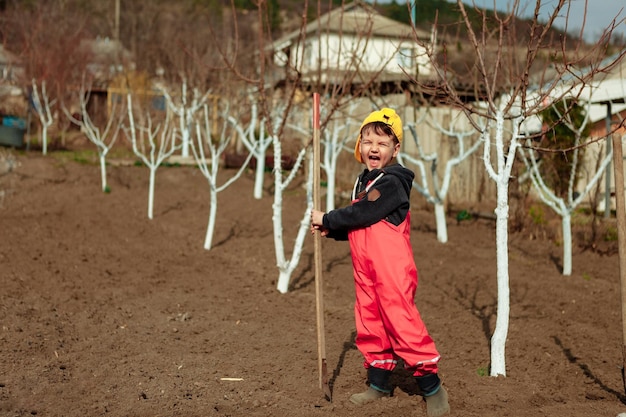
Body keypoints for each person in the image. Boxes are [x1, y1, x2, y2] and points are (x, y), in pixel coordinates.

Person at [310, 108, 450, 417]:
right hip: (365, 270)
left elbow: (365, 213)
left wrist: (329, 217)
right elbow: (362, 225)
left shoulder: (393, 182)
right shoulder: (364, 180)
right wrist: (332, 230)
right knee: (370, 323)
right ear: (359, 145)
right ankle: (379, 384)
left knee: (402, 323)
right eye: (368, 140)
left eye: (383, 143)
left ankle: (432, 387)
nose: (374, 148)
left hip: (392, 270)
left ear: (395, 149)